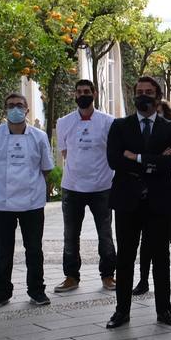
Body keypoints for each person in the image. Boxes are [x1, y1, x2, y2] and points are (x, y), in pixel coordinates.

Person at [105, 76, 171, 329]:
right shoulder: (119, 126)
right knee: (125, 257)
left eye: (149, 92)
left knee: (161, 256)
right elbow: (115, 161)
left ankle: (164, 310)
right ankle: (121, 312)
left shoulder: (170, 129)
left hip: (159, 201)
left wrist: (136, 157)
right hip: (127, 201)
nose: (143, 95)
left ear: (158, 97)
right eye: (139, 91)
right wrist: (153, 160)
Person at [0, 93, 54, 309]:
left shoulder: (39, 136)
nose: (15, 109)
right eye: (10, 105)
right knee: (3, 249)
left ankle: (37, 290)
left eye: (19, 105)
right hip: (2, 202)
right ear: (5, 109)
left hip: (32, 202)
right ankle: (1, 292)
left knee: (34, 249)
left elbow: (46, 168)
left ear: (27, 109)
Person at [55, 79, 116, 294]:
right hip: (72, 187)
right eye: (79, 91)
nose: (83, 94)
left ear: (95, 94)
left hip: (102, 186)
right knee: (70, 234)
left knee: (105, 234)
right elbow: (64, 152)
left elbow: (113, 152)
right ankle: (71, 277)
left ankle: (108, 275)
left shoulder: (108, 122)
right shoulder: (64, 122)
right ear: (74, 95)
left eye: (87, 91)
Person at [138, 101, 171, 294]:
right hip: (148, 195)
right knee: (147, 240)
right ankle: (143, 281)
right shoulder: (145, 137)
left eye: (160, 114)